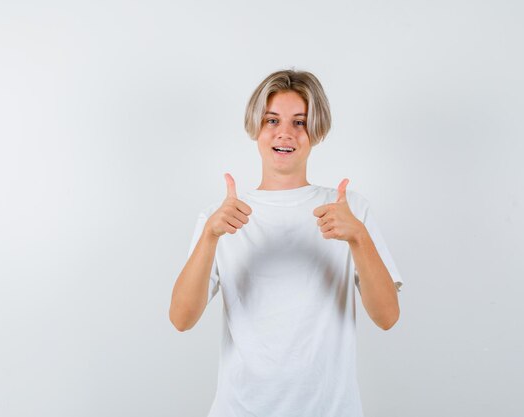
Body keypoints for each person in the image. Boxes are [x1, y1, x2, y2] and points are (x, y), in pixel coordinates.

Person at [169, 69, 404, 417]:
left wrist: (358, 237)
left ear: (317, 131)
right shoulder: (220, 217)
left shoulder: (349, 211)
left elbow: (387, 317)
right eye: (272, 120)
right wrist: (209, 237)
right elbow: (181, 319)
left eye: (300, 122)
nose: (285, 133)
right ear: (256, 127)